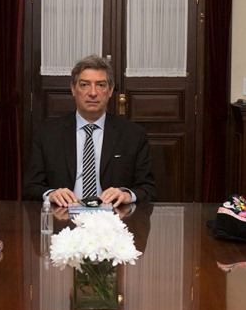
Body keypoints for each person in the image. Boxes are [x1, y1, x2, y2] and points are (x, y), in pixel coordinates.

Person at [22, 55, 157, 207]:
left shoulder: (133, 135)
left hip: (113, 221)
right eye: (85, 85)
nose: (93, 93)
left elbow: (148, 189)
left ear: (111, 90)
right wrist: (51, 194)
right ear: (73, 88)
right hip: (63, 220)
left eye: (100, 85)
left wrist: (127, 195)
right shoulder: (47, 134)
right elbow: (30, 188)